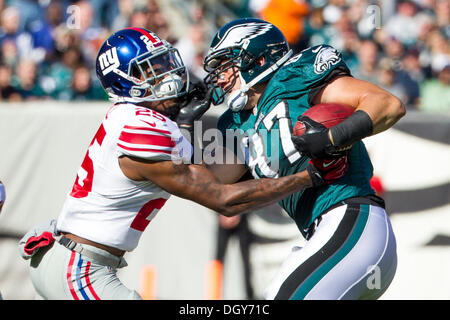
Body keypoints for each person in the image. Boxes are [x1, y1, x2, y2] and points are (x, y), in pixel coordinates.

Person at [18, 27, 346, 300]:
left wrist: (183, 120)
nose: (165, 73)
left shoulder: (131, 117)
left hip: (62, 255)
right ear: (125, 82)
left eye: (162, 62)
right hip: (82, 269)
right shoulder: (143, 126)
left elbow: (182, 163)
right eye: (150, 70)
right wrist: (309, 175)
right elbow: (224, 198)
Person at [203, 17, 405, 299]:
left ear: (258, 59)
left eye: (226, 66)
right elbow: (214, 187)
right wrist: (182, 125)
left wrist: (331, 138)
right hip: (323, 235)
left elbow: (388, 105)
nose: (221, 78)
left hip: (353, 220)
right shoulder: (236, 123)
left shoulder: (296, 77)